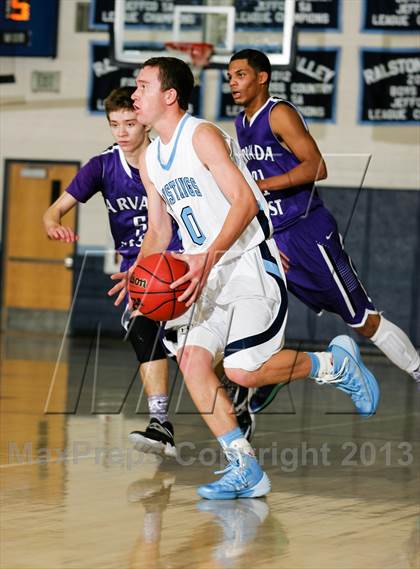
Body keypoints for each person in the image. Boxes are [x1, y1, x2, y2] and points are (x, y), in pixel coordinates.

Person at [110, 56, 379, 500]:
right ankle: (245, 469)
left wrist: (208, 257)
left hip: (248, 263)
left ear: (169, 95)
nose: (135, 94)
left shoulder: (204, 136)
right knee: (193, 362)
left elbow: (245, 202)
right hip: (205, 273)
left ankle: (334, 364)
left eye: (142, 86)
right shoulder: (150, 159)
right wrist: (139, 272)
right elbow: (159, 230)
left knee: (242, 370)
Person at [228, 49, 420, 413]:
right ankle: (268, 379)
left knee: (364, 320)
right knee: (263, 306)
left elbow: (317, 167)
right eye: (230, 77)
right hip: (276, 236)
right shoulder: (241, 123)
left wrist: (264, 185)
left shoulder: (278, 113)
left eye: (240, 75)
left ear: (262, 77)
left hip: (308, 232)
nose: (233, 83)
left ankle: (416, 369)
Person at [43, 87, 182, 457]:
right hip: (136, 270)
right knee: (142, 329)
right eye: (114, 124)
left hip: (179, 261)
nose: (121, 131)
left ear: (145, 122)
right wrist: (53, 222)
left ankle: (237, 392)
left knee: (198, 354)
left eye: (129, 123)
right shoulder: (102, 166)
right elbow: (52, 211)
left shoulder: (171, 158)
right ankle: (160, 422)